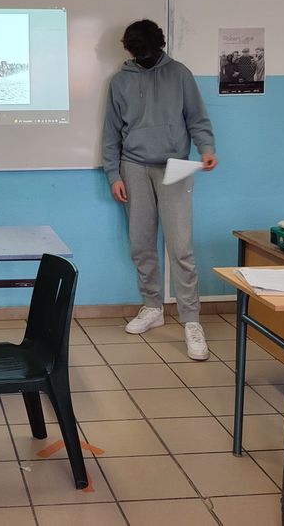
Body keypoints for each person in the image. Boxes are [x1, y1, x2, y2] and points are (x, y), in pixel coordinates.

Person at [102, 19, 218, 360]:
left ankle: (191, 321)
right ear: (129, 51)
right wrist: (113, 175)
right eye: (138, 54)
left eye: (149, 53)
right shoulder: (120, 81)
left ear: (159, 46)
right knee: (141, 243)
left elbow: (197, 117)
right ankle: (152, 306)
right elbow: (111, 134)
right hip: (133, 167)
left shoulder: (180, 74)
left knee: (180, 246)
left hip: (175, 167)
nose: (144, 59)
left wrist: (206, 148)